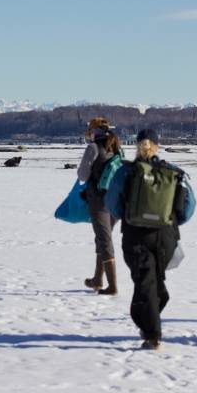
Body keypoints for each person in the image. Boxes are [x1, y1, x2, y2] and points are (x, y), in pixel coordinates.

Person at [105, 129, 196, 350]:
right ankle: (149, 324)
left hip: (136, 235)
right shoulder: (173, 173)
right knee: (154, 283)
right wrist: (169, 221)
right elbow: (189, 207)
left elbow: (112, 203)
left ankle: (152, 335)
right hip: (165, 236)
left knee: (145, 283)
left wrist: (131, 215)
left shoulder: (125, 172)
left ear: (136, 145)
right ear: (157, 145)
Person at [78, 118, 123, 295]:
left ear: (93, 130)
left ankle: (112, 287)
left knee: (104, 239)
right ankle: (97, 278)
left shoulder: (93, 147)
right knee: (103, 237)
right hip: (116, 200)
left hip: (99, 200)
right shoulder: (116, 146)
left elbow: (82, 175)